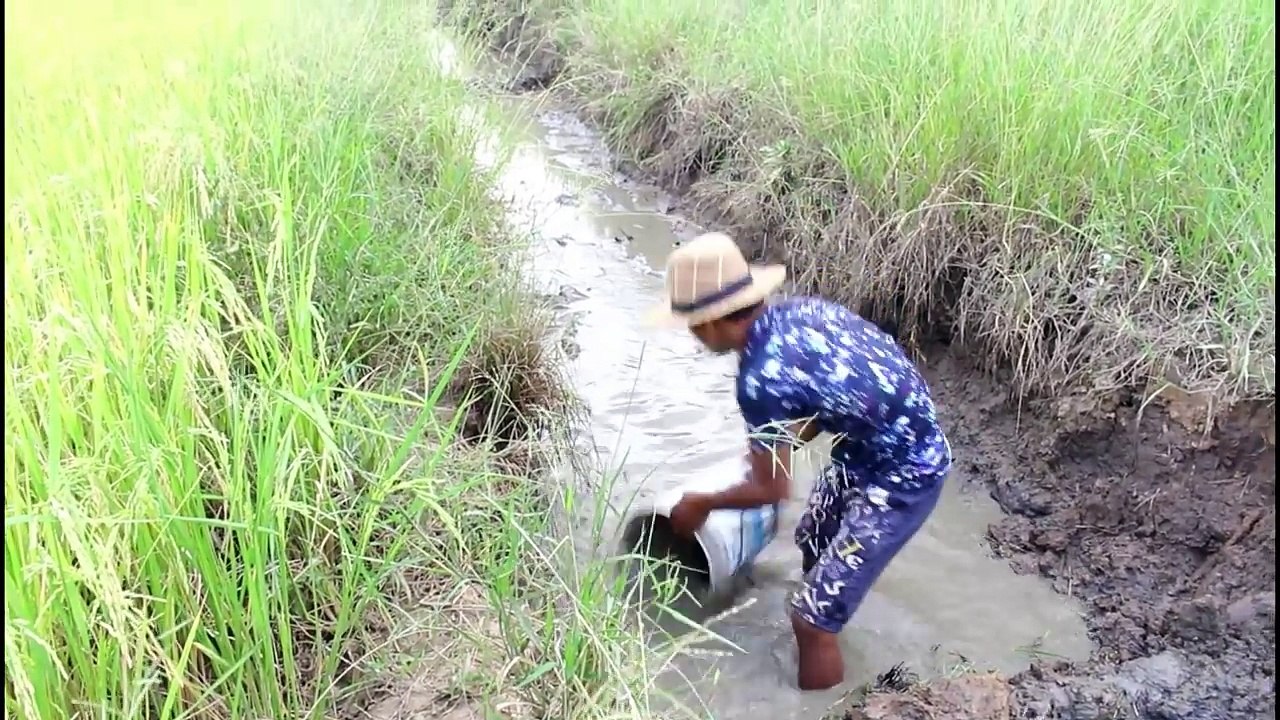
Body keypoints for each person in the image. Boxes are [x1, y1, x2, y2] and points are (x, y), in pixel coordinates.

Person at [649, 231, 952, 691]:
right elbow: (843, 391)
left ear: (709, 323)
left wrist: (702, 504)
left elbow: (773, 491)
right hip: (873, 446)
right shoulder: (800, 313)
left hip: (905, 474)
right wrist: (770, 450)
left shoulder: (759, 380)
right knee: (813, 539)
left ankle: (822, 681)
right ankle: (833, 601)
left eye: (691, 325)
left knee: (810, 621)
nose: (692, 336)